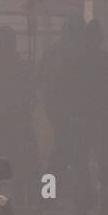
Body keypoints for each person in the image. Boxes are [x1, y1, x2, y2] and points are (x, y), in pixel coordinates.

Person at [0, 26, 38, 203]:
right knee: (11, 159)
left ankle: (9, 195)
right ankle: (12, 195)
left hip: (3, 119)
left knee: (5, 158)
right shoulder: (6, 64)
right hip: (3, 119)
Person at [76, 19, 108, 214]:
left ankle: (84, 204)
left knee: (80, 161)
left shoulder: (76, 59)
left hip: (81, 116)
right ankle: (107, 204)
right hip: (101, 116)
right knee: (104, 161)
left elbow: (67, 89)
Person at [39, 17, 85, 203]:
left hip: (55, 105)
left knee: (64, 147)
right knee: (65, 148)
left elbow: (42, 77)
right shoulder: (74, 52)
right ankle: (48, 193)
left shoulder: (52, 50)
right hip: (66, 106)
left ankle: (49, 193)